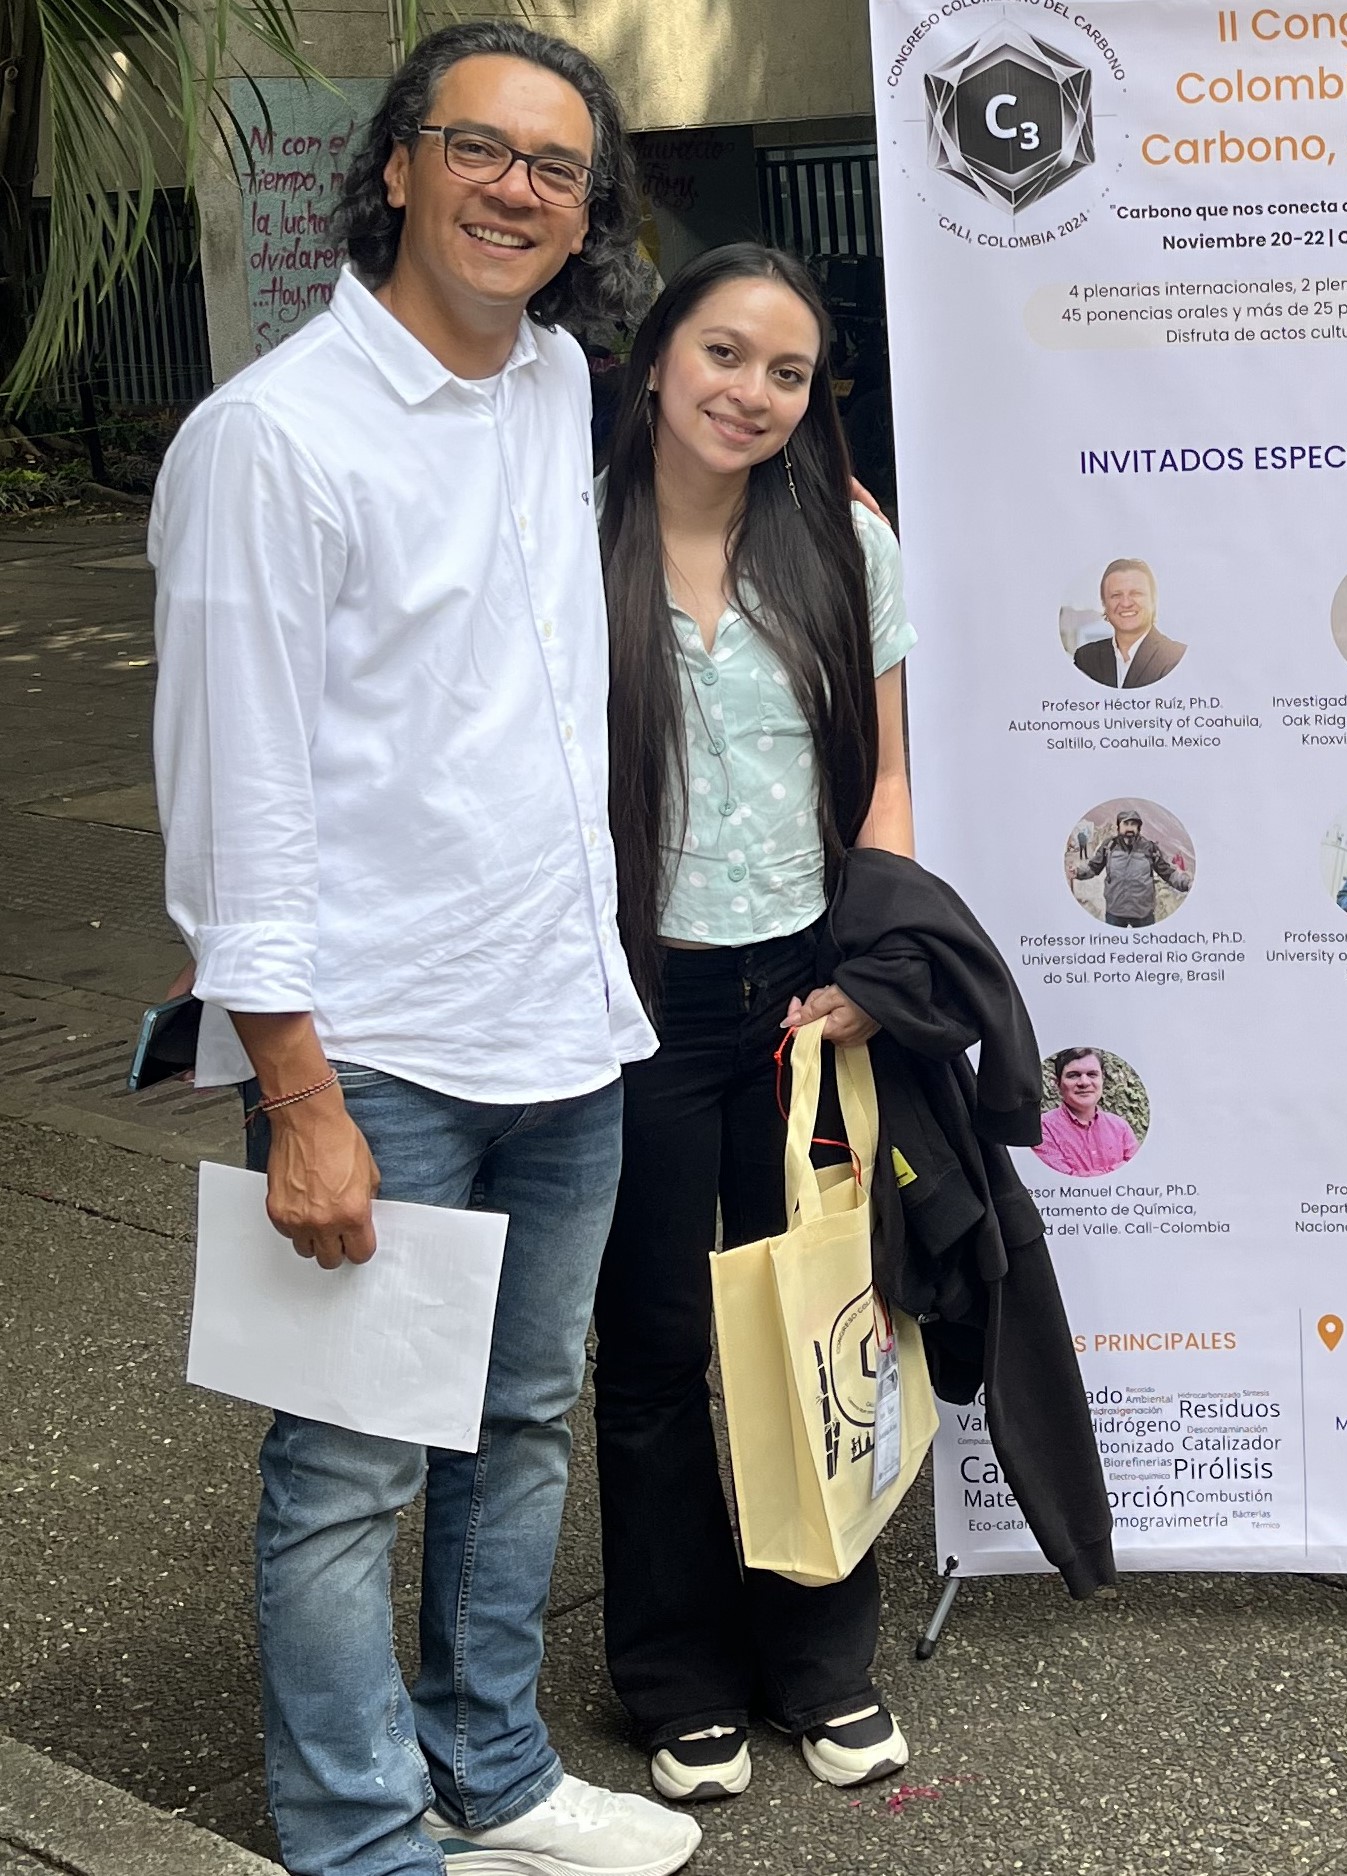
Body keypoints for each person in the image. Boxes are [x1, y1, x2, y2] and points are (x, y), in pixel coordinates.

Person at [151, 23, 701, 1876]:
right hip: (377, 1050)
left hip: (564, 1025)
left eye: (557, 167)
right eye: (480, 148)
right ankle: (358, 1835)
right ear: (396, 166)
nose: (517, 190)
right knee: (346, 1475)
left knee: (520, 1428)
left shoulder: (555, 385)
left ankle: (494, 1771)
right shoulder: (271, 439)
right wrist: (295, 1092)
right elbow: (236, 807)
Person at [591, 243, 918, 1809]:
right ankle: (674, 1670)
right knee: (652, 1348)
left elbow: (886, 778)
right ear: (657, 357)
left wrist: (879, 964)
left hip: (803, 998)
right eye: (725, 355)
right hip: (633, 999)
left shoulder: (843, 539)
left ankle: (818, 1661)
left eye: (787, 373)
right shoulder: (566, 533)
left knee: (813, 1325)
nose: (752, 393)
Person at [1072, 558, 1185, 689]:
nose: (1126, 603)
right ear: (1104, 604)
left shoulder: (1176, 657)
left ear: (1153, 600)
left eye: (1136, 593)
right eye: (1116, 595)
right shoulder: (1086, 659)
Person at [1069, 807, 1191, 928]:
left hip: (1143, 913)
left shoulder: (1149, 848)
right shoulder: (1109, 846)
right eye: (1126, 824)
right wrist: (1078, 872)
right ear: (1118, 826)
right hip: (1115, 912)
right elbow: (1093, 867)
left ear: (1138, 828)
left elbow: (1167, 872)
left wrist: (1186, 883)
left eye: (1133, 824)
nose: (1130, 828)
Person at [1034, 1047, 1140, 1176]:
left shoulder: (1120, 1127)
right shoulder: (1041, 1128)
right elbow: (1064, 1181)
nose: (1084, 1082)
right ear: (1058, 1084)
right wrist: (1118, 1167)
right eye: (1073, 1075)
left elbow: (1137, 1171)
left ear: (1102, 1080)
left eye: (1092, 1074)